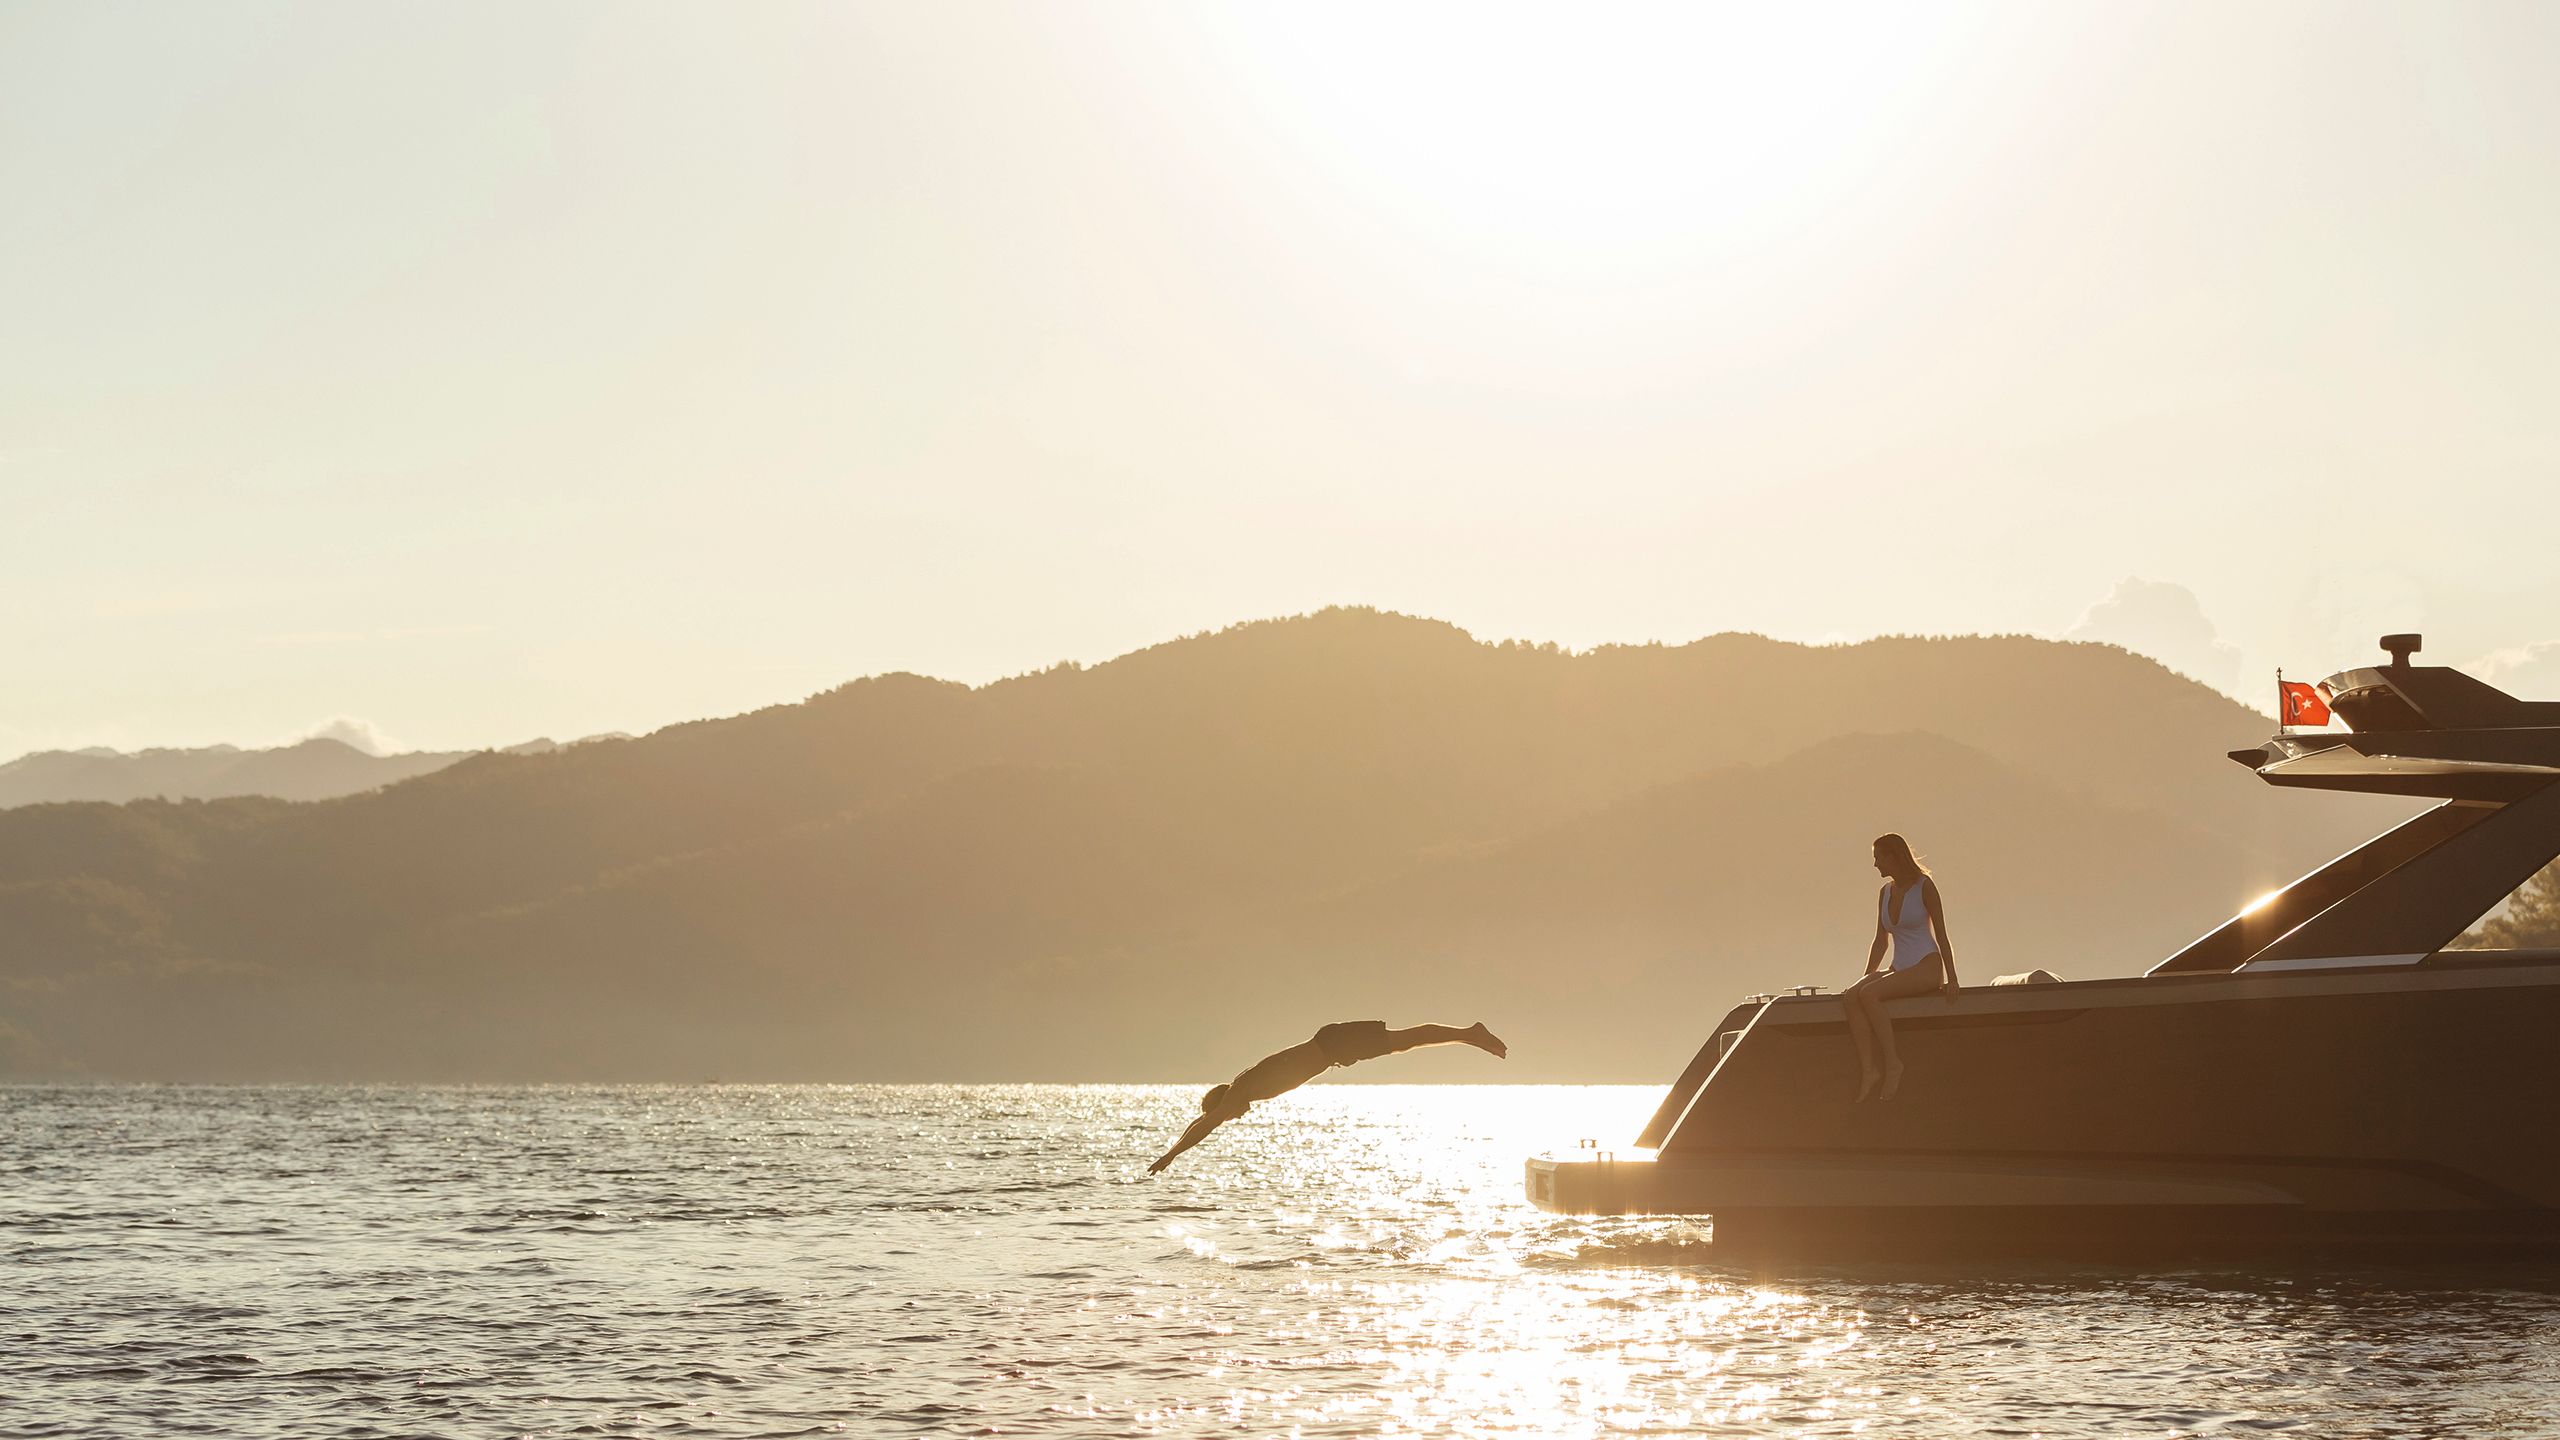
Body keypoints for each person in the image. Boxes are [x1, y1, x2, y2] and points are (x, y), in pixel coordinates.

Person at [1146, 1020, 1508, 1174]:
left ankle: (1469, 1033)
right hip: (1332, 1045)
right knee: (1405, 1043)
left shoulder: (1240, 1091)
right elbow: (1204, 1119)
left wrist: (1170, 1155)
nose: (1236, 1117)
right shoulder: (1242, 1087)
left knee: (1406, 1041)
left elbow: (1206, 1124)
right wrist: (1172, 1150)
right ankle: (1468, 1035)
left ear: (1223, 1104)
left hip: (1334, 1044)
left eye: (1229, 1115)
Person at [1845, 833, 1959, 1101]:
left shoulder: (1924, 887)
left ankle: (1893, 1063)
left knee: (1869, 995)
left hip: (1926, 966)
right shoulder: (1884, 893)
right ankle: (1870, 1070)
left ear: (1893, 857)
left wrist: (1952, 978)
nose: (1875, 865)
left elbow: (1942, 934)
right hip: (1900, 967)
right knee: (1852, 995)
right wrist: (1867, 976)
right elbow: (1880, 942)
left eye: (1878, 857)